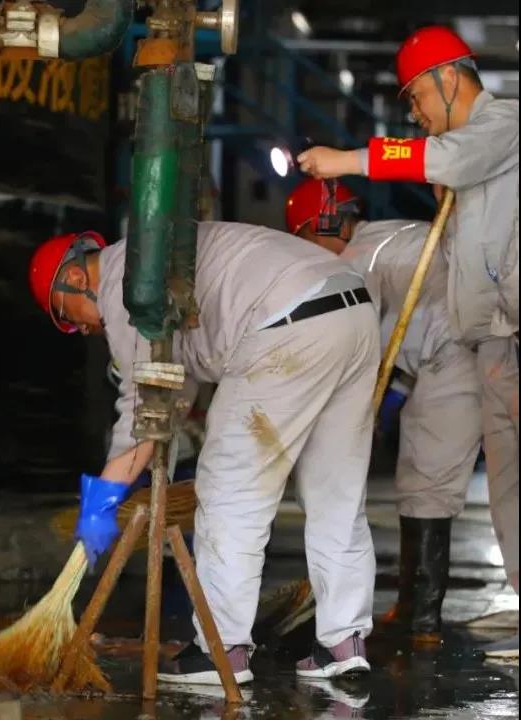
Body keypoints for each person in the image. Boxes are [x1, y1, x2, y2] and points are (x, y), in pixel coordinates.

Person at [29, 222, 380, 682]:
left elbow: (142, 411)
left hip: (284, 323)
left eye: (67, 314)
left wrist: (101, 500)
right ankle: (342, 642)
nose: (78, 328)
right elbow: (170, 394)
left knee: (231, 492)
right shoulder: (155, 256)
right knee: (336, 493)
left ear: (74, 278)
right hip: (351, 309)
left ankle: (221, 651)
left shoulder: (128, 284)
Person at [296, 26, 519, 658]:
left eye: (418, 95)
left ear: (450, 76)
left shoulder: (503, 125)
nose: (416, 112)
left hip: (513, 335)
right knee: (508, 492)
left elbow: (444, 158)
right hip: (495, 343)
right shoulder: (464, 157)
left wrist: (347, 160)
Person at [286, 178, 483, 641]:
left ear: (323, 225)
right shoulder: (388, 234)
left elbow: (355, 343)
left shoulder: (360, 260)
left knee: (428, 484)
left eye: (306, 239)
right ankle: (414, 609)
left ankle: (422, 620)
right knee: (421, 482)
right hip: (446, 359)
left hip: (460, 358)